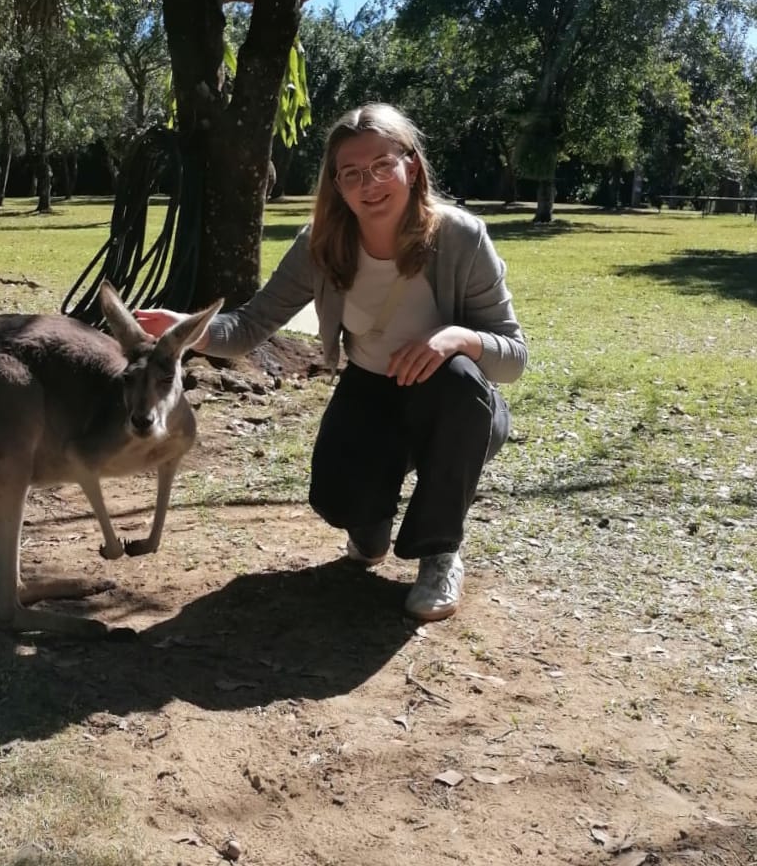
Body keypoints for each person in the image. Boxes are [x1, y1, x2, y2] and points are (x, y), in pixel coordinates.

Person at [135, 103, 527, 623]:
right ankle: (372, 525)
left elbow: (513, 357)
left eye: (383, 165)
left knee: (456, 381)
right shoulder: (321, 243)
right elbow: (250, 327)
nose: (370, 184)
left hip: (453, 401)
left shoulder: (460, 236)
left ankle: (439, 554)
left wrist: (455, 337)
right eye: (352, 174)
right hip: (370, 387)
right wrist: (184, 328)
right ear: (337, 184)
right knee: (338, 500)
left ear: (411, 165)